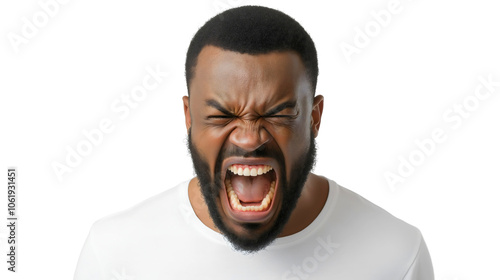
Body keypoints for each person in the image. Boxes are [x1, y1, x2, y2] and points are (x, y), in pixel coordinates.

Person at [74, 6, 434, 279]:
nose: (249, 138)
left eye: (278, 113)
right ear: (188, 117)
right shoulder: (115, 257)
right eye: (221, 115)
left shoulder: (397, 254)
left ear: (314, 118)